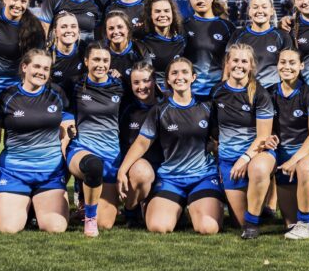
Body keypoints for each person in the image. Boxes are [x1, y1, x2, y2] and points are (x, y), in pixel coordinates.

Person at [118, 58, 224, 235]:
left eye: (184, 72)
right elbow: (142, 143)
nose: (179, 77)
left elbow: (220, 140)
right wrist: (123, 170)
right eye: (174, 73)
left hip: (202, 177)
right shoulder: (160, 110)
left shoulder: (207, 107)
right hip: (170, 179)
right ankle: (173, 207)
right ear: (167, 80)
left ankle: (193, 207)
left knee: (208, 228)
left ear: (193, 77)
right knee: (159, 227)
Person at [0, 49, 75, 234]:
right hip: (15, 172)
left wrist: (65, 165)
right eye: (36, 66)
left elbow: (68, 131)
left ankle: (37, 206)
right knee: (8, 228)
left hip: (49, 173)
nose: (41, 72)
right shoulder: (7, 96)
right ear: (24, 67)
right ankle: (28, 206)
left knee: (56, 227)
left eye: (46, 68)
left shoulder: (57, 94)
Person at [209, 44, 275, 239]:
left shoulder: (260, 94)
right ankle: (258, 207)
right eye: (235, 60)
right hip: (228, 160)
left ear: (252, 65)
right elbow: (213, 128)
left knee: (259, 169)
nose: (239, 65)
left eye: (244, 61)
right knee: (239, 221)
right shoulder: (217, 91)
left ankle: (253, 225)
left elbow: (263, 136)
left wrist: (245, 158)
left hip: (256, 153)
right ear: (227, 64)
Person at [66, 42, 124, 236]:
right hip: (82, 149)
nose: (101, 64)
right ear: (86, 61)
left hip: (111, 154)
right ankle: (88, 218)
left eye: (105, 60)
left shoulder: (119, 86)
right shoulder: (75, 84)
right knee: (93, 166)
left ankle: (90, 205)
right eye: (96, 59)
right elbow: (63, 107)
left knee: (106, 223)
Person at [268, 48, 309, 240]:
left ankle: (304, 226)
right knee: (289, 223)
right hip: (282, 159)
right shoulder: (269, 94)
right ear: (277, 65)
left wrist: (295, 159)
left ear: (301, 66)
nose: (287, 67)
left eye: (292, 63)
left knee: (304, 168)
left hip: (307, 154)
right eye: (283, 62)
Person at [117, 62, 162, 227]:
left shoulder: (166, 104)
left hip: (166, 169)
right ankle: (131, 211)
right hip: (137, 170)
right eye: (136, 83)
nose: (142, 86)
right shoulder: (126, 109)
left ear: (155, 81)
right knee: (141, 171)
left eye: (146, 81)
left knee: (160, 223)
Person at [228, 0, 291, 89]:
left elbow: (289, 68)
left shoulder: (282, 36)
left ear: (271, 11)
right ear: (249, 11)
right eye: (255, 7)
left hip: (272, 93)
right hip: (244, 91)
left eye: (264, 7)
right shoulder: (238, 34)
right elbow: (228, 64)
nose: (260, 11)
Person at [184, 0, 234, 99]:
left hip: (219, 94)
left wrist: (223, 87)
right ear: (190, 0)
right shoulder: (182, 26)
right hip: (190, 95)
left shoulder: (227, 27)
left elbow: (232, 60)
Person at [138, 0, 186, 91]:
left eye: (166, 11)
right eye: (157, 11)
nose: (162, 15)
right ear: (150, 15)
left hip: (177, 93)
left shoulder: (183, 39)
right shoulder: (141, 38)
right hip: (151, 93)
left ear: (173, 13)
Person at [48, 10, 84, 100]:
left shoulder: (85, 49)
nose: (69, 30)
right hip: (53, 102)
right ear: (55, 32)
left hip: (79, 101)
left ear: (78, 31)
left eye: (73, 26)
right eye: (64, 27)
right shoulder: (46, 54)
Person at [104, 11, 142, 86]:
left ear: (128, 29)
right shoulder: (100, 51)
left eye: (120, 27)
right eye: (111, 28)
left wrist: (121, 79)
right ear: (106, 32)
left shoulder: (139, 50)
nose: (116, 31)